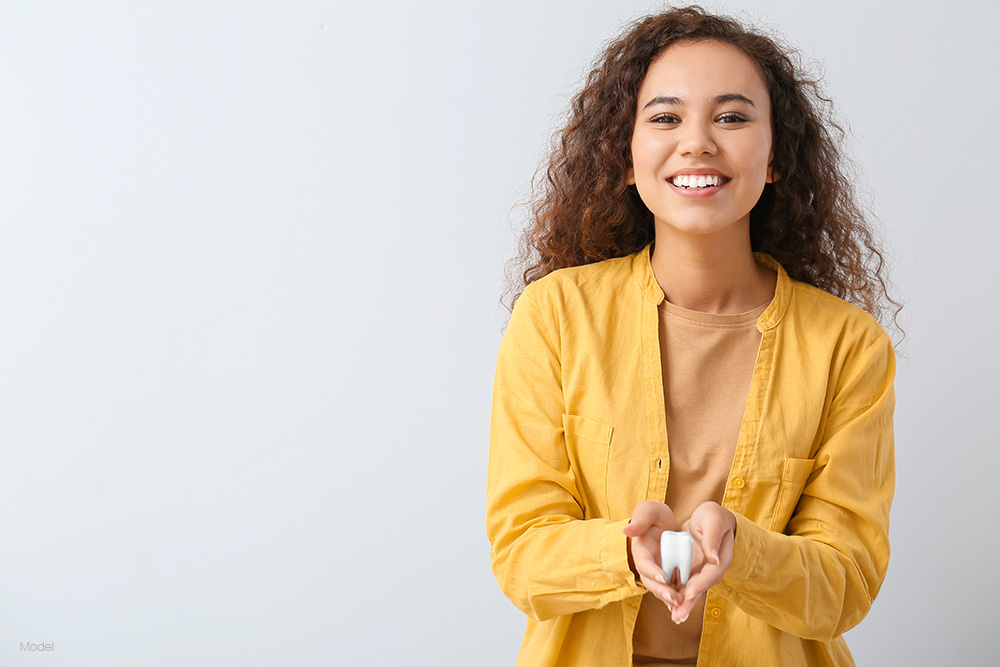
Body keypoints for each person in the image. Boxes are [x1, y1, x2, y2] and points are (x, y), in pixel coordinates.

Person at [486, 6, 899, 667]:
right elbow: (520, 555)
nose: (698, 142)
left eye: (732, 117)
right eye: (665, 117)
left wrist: (746, 548)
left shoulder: (848, 346)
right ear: (624, 157)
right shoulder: (554, 316)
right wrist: (621, 550)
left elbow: (844, 584)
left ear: (775, 161)